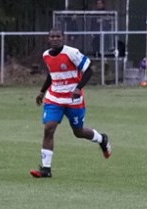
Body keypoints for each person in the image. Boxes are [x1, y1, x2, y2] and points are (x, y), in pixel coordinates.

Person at [30, 28, 111, 178]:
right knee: (49, 128)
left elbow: (89, 71)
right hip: (54, 98)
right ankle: (46, 170)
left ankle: (102, 139)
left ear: (63, 38)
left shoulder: (71, 53)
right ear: (48, 39)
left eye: (58, 36)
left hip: (73, 100)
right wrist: (42, 91)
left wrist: (78, 88)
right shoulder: (46, 55)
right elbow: (52, 75)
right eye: (52, 36)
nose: (55, 39)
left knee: (78, 132)